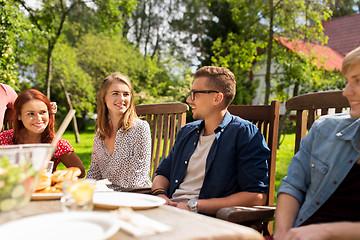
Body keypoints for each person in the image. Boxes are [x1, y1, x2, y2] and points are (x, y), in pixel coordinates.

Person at [151, 66, 270, 215]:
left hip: (205, 219)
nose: (189, 100)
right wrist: (160, 195)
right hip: (168, 211)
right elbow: (162, 173)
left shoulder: (245, 134)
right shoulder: (186, 132)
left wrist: (194, 206)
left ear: (217, 98)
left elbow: (256, 196)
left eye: (195, 94)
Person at [274, 46, 360, 240]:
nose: (346, 92)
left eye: (358, 81)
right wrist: (281, 234)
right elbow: (293, 185)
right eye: (347, 82)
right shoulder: (325, 129)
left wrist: (326, 232)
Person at [87, 72, 152, 191]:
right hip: (106, 196)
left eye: (126, 94)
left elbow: (138, 179)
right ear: (104, 98)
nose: (121, 99)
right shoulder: (100, 133)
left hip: (135, 197)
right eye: (115, 93)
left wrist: (109, 194)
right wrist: (82, 188)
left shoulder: (141, 128)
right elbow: (94, 173)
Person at [0, 89, 86, 178]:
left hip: (43, 190)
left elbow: (80, 172)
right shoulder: (4, 138)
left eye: (42, 112)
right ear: (19, 116)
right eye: (31, 114)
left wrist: (53, 177)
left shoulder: (56, 143)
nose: (38, 118)